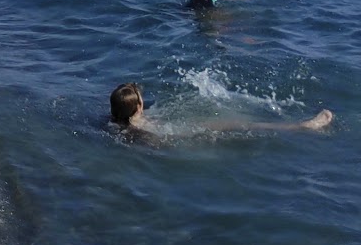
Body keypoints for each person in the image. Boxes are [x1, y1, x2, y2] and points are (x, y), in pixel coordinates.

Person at [109, 83, 330, 139]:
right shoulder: (141, 128)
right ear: (138, 106)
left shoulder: (116, 123)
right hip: (180, 135)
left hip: (169, 132)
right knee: (241, 126)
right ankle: (302, 126)